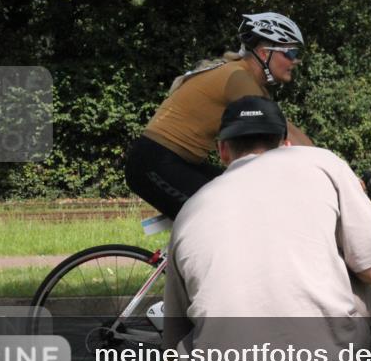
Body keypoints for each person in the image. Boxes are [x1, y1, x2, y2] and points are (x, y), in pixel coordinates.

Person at [162, 96, 371, 361]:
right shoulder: (322, 162)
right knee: (355, 272)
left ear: (222, 151)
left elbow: (173, 344)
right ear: (286, 142)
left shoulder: (190, 210)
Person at [125, 12, 313, 220]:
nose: (295, 61)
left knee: (243, 196)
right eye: (291, 53)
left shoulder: (243, 77)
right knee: (220, 216)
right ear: (263, 52)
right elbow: (287, 134)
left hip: (179, 162)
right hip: (155, 162)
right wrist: (334, 174)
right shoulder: (238, 77)